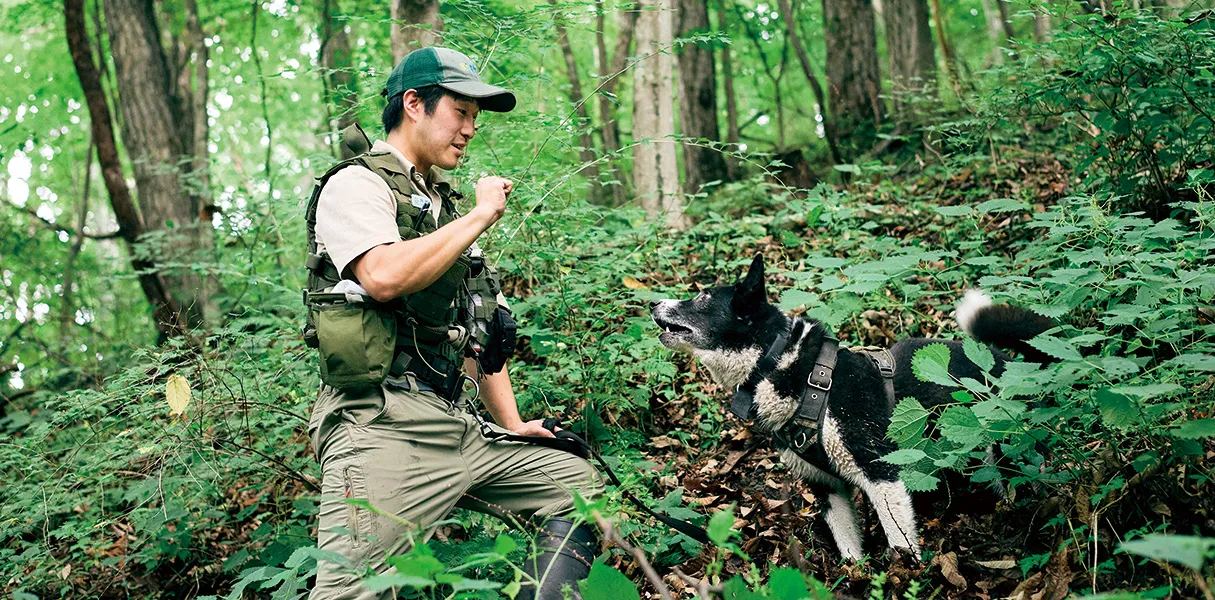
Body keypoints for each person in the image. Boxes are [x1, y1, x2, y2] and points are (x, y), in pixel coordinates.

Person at [302, 46, 603, 600]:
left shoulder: (439, 206)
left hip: (456, 424)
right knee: (352, 593)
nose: (470, 129)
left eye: (475, 118)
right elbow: (383, 276)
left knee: (579, 489)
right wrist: (482, 214)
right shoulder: (356, 185)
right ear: (413, 104)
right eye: (460, 112)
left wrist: (512, 426)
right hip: (383, 424)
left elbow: (478, 337)